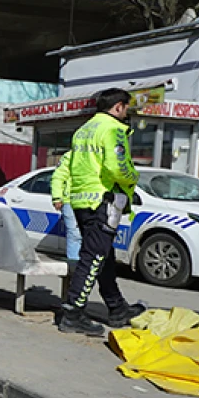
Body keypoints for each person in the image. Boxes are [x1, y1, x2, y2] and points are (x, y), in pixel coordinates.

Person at [59, 88, 145, 336]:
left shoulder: (83, 129)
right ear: (118, 106)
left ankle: (117, 309)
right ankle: (73, 313)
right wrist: (133, 179)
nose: (126, 113)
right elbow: (117, 167)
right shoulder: (113, 129)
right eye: (126, 108)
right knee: (93, 257)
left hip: (81, 200)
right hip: (103, 200)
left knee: (103, 256)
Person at [50, 151, 82, 272]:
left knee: (85, 235)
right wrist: (57, 197)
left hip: (88, 201)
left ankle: (83, 267)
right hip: (70, 201)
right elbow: (58, 177)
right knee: (75, 234)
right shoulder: (70, 156)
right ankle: (74, 268)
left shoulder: (94, 153)